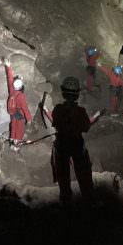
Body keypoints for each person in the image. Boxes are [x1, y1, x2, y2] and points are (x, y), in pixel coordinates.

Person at [42, 76, 101, 205]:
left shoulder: (58, 109)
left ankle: (66, 201)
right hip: (76, 144)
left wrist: (47, 112)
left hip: (62, 144)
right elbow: (86, 127)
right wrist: (96, 117)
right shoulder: (80, 111)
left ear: (63, 93)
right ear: (77, 94)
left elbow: (55, 123)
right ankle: (88, 200)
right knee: (84, 174)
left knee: (63, 176)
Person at [1, 56, 32, 151]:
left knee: (13, 126)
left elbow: (9, 78)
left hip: (12, 112)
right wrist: (29, 119)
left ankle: (12, 140)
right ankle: (17, 144)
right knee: (20, 128)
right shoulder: (21, 96)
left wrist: (8, 66)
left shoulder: (12, 89)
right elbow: (25, 108)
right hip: (19, 113)